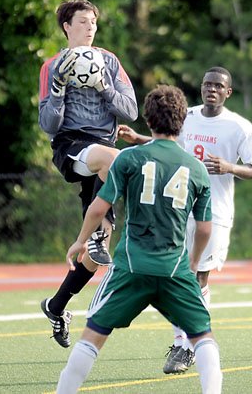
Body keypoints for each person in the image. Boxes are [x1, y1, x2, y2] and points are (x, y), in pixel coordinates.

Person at [55, 84, 222, 394]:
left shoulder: (129, 158)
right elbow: (204, 228)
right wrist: (194, 262)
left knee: (93, 335)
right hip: (174, 268)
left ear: (147, 119)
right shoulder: (196, 168)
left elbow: (98, 207)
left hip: (131, 265)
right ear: (182, 121)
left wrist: (81, 241)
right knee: (203, 338)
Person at [119, 66, 252, 374]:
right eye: (207, 84)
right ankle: (182, 342)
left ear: (228, 92)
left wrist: (229, 167)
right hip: (178, 208)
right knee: (174, 276)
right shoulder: (188, 117)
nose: (211, 89)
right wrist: (137, 139)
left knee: (198, 276)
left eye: (218, 86)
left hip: (215, 212)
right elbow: (169, 144)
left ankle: (189, 345)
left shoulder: (239, 126)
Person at [38, 0, 138, 348]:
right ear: (67, 26)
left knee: (95, 258)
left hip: (102, 158)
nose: (90, 27)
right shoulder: (52, 65)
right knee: (115, 158)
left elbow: (132, 110)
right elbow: (47, 124)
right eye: (82, 21)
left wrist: (102, 86)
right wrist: (58, 90)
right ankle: (94, 235)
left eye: (93, 21)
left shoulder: (110, 61)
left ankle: (56, 305)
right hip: (71, 147)